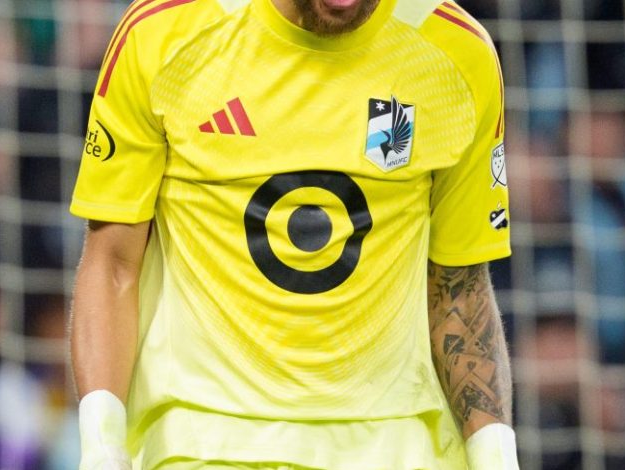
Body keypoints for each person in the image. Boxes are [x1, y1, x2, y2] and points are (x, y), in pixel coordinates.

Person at [69, 0, 518, 468]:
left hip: (395, 448)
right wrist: (101, 447)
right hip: (203, 442)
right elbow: (113, 265)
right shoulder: (164, 33)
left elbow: (460, 289)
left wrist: (497, 456)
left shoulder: (455, 53)